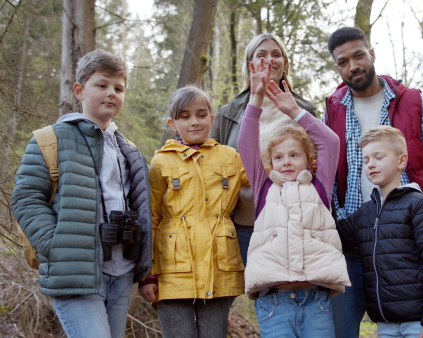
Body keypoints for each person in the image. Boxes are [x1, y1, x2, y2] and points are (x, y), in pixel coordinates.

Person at [11, 49, 152, 338]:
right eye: (101, 85)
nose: (111, 93)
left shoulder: (128, 150)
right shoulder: (50, 139)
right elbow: (26, 197)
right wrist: (57, 246)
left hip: (121, 272)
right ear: (79, 90)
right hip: (74, 273)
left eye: (118, 88)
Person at [324, 26, 423, 337]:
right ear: (337, 67)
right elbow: (324, 173)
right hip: (350, 244)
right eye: (343, 62)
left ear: (371, 53)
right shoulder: (333, 109)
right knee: (339, 330)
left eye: (358, 55)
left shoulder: (414, 103)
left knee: (408, 328)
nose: (353, 66)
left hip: (404, 245)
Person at [238, 57, 350, 337]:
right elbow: (246, 143)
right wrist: (256, 97)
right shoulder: (265, 189)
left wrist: (295, 111)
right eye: (278, 157)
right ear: (270, 163)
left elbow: (330, 141)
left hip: (317, 302)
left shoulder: (319, 186)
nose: (286, 162)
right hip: (274, 303)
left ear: (309, 160)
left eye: (294, 155)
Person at [138, 86, 248, 338]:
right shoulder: (161, 161)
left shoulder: (230, 157)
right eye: (184, 116)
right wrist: (147, 275)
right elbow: (151, 217)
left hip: (219, 268)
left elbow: (262, 175)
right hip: (172, 270)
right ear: (172, 123)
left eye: (201, 114)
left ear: (212, 117)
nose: (194, 122)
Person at [211, 33, 316, 266]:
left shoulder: (305, 110)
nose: (270, 60)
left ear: (285, 64)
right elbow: (212, 166)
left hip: (293, 221)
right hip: (245, 223)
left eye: (276, 54)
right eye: (262, 55)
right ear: (250, 65)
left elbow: (318, 163)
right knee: (258, 293)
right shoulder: (227, 113)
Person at [337, 126, 423, 338]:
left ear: (401, 161)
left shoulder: (419, 205)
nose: (371, 164)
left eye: (379, 157)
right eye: (366, 160)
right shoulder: (364, 213)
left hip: (419, 323)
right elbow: (331, 234)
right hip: (385, 324)